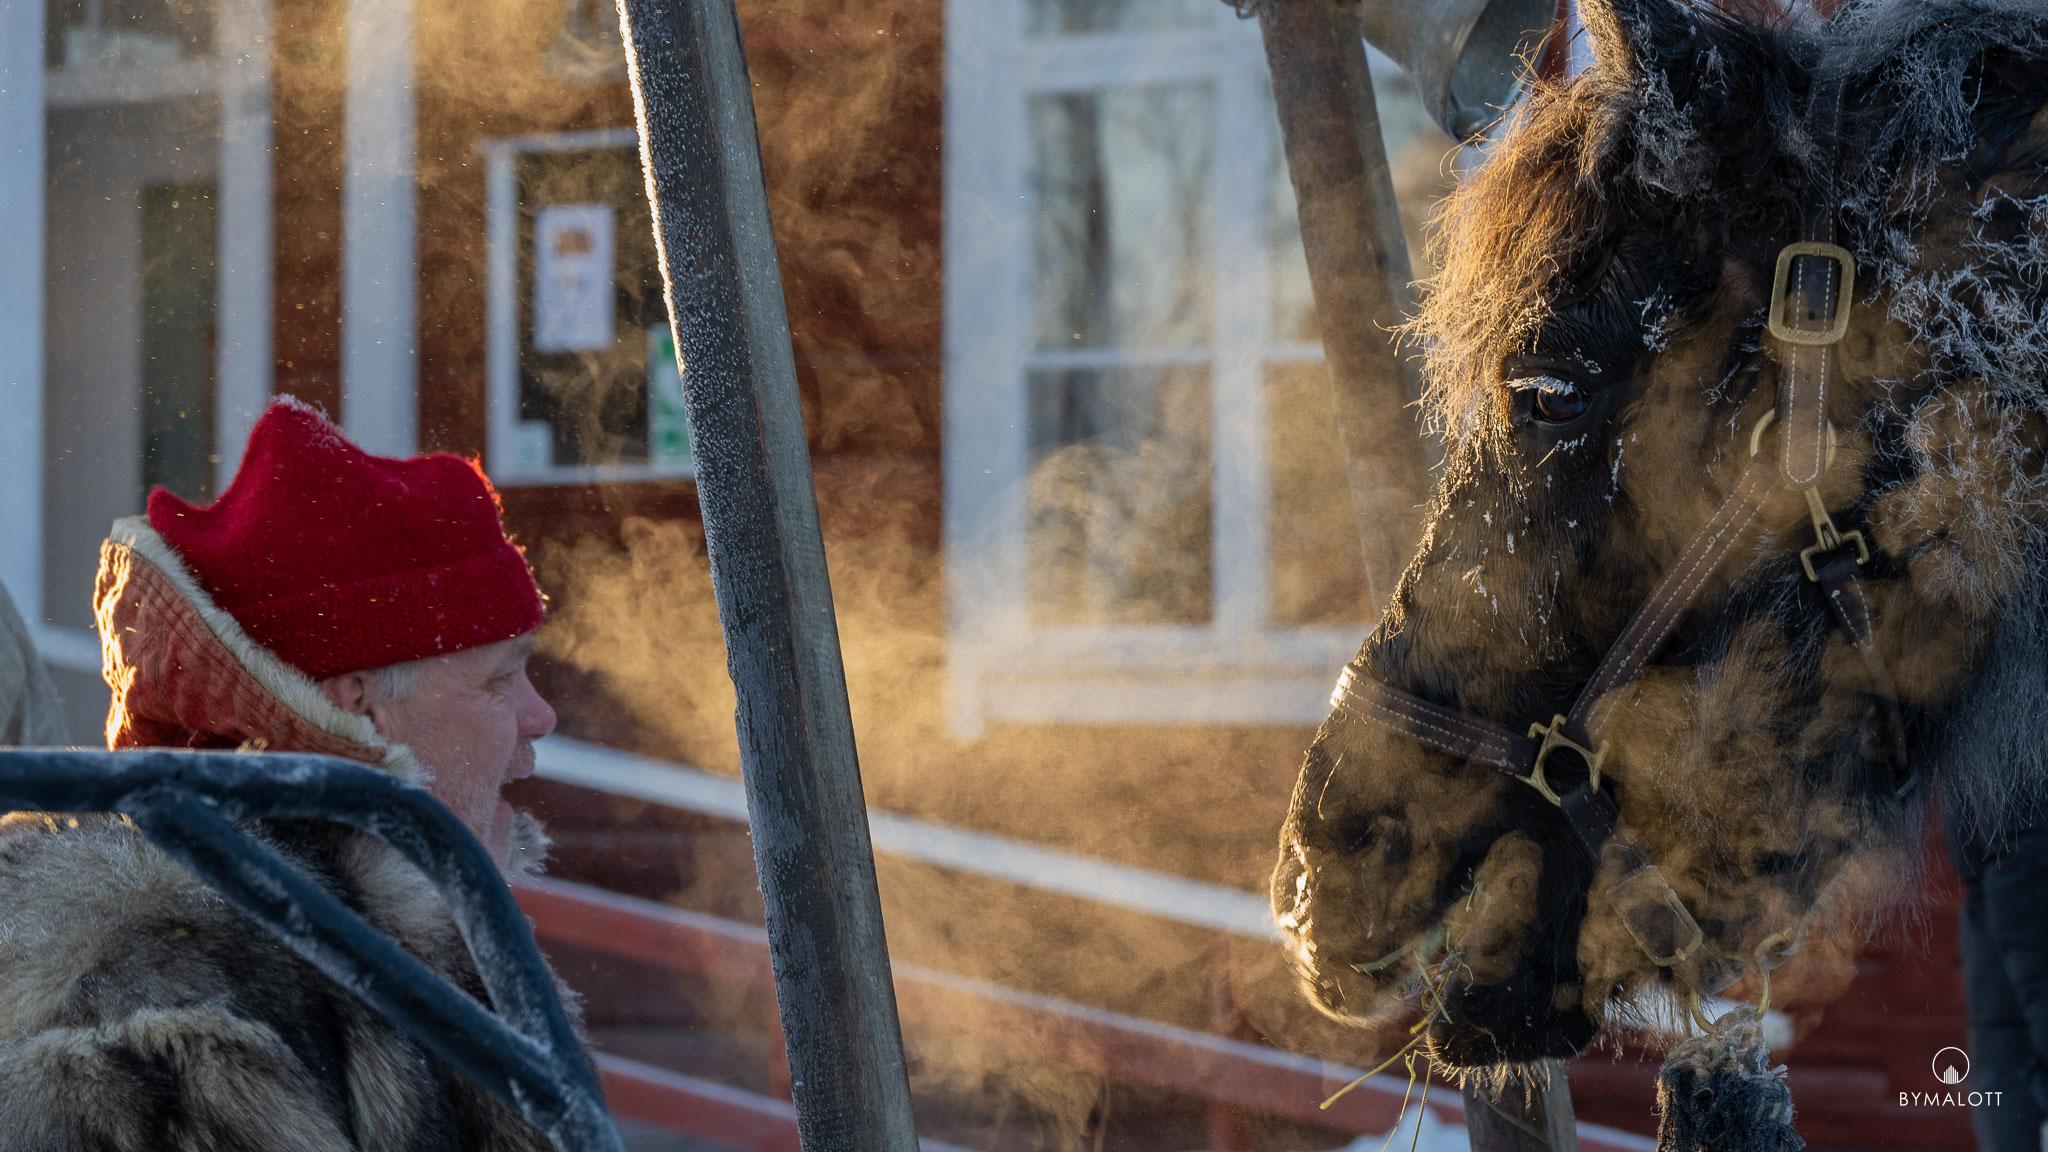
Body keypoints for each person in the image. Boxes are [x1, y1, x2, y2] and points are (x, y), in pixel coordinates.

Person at [0, 398, 569, 1150]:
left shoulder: (392, 935)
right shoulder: (162, 996)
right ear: (356, 709)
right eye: (500, 682)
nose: (540, 717)